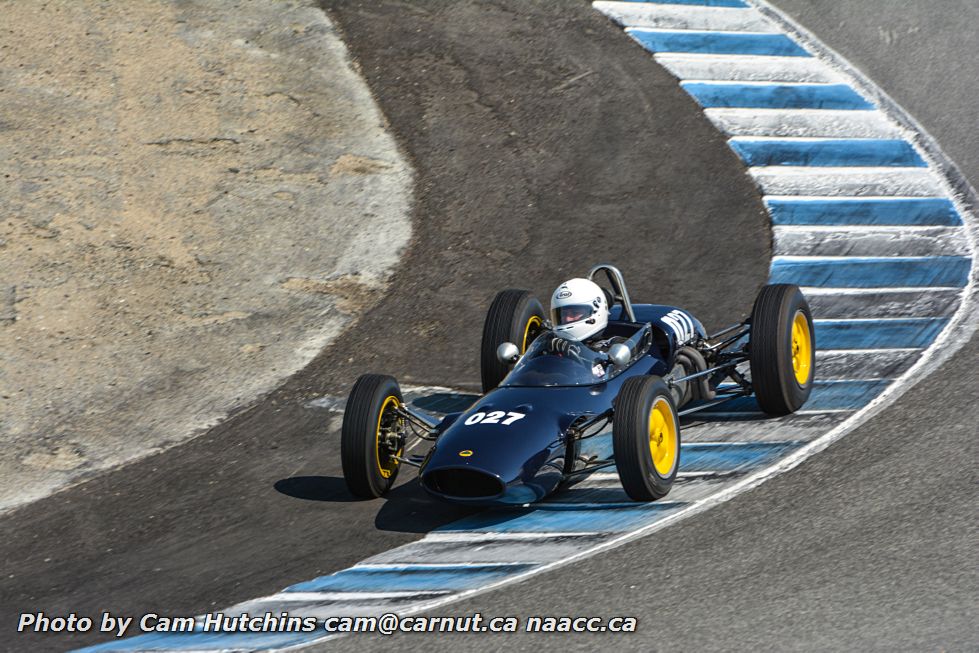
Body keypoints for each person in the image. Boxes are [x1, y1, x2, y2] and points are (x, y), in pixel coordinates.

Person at [548, 278, 625, 356]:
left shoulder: (617, 348)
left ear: (596, 311)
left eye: (574, 313)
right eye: (562, 315)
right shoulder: (554, 346)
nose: (567, 318)